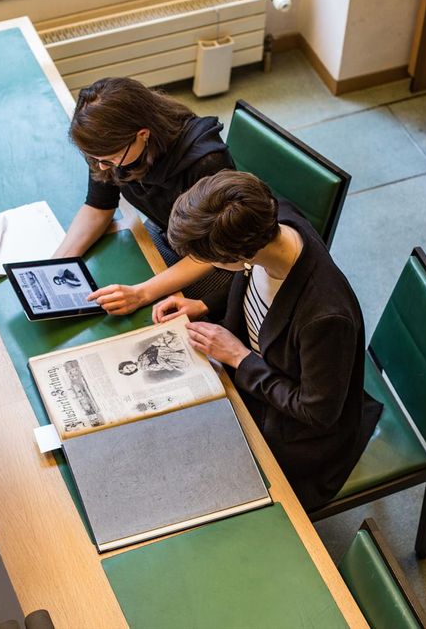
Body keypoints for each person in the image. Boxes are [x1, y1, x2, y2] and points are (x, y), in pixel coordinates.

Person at [153, 170, 382, 510]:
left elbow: (317, 412)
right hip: (253, 380)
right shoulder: (273, 223)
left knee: (182, 481)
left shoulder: (325, 316)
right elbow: (249, 281)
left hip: (297, 434)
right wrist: (204, 303)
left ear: (235, 256)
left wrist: (240, 359)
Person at [52, 77, 235, 315]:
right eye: (94, 159)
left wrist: (142, 293)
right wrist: (57, 263)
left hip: (218, 260)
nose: (102, 167)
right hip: (168, 236)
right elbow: (99, 207)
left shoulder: (206, 162)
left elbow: (217, 252)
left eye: (108, 159)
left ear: (143, 134)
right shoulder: (107, 150)